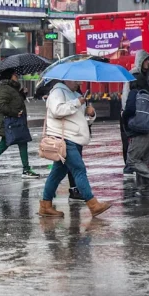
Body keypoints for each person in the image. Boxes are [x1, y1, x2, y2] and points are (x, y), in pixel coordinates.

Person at [38, 80, 112, 218]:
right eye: (75, 80)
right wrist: (78, 102)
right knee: (79, 169)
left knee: (57, 174)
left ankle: (46, 205)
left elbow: (78, 118)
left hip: (74, 138)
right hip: (65, 139)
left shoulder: (75, 94)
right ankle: (93, 205)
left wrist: (90, 114)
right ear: (66, 79)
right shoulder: (57, 92)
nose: (78, 82)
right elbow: (57, 111)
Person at [0, 70, 40, 179]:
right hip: (9, 122)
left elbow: (15, 101)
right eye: (15, 74)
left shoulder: (12, 88)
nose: (17, 76)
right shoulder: (4, 88)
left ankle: (25, 169)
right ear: (9, 76)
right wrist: (15, 113)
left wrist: (22, 94)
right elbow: (1, 105)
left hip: (15, 122)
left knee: (20, 142)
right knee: (7, 143)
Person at [122, 78, 149, 197]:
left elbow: (129, 110)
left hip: (140, 133)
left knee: (132, 160)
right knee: (143, 162)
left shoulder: (134, 93)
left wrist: (124, 117)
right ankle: (143, 189)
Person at [121, 50, 149, 175]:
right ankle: (144, 177)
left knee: (141, 157)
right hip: (135, 118)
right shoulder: (134, 76)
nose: (148, 62)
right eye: (146, 60)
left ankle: (143, 186)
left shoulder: (145, 75)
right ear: (141, 61)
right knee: (132, 152)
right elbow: (127, 98)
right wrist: (127, 117)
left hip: (142, 119)